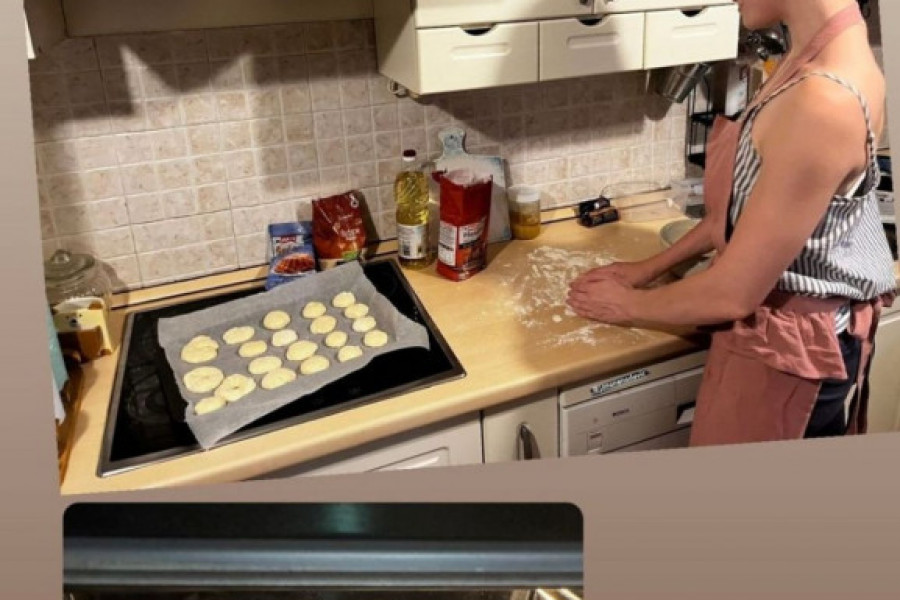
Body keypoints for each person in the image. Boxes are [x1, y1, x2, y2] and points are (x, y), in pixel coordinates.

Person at [566, 0, 897, 446]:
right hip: (772, 338)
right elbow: (742, 216)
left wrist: (627, 305)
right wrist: (647, 269)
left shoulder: (824, 100)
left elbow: (732, 293)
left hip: (792, 359)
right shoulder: (813, 57)